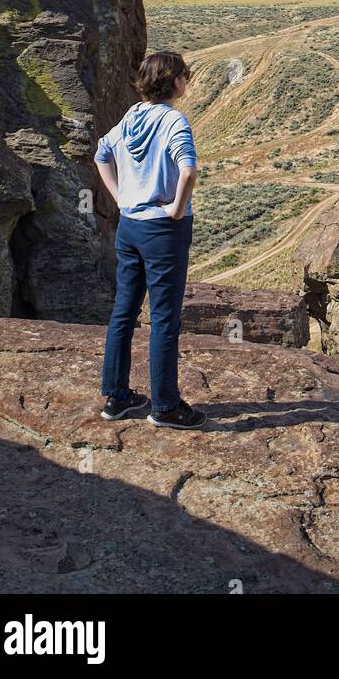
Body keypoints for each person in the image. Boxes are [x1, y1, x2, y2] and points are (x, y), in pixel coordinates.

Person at [95, 51, 206, 429]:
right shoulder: (173, 120)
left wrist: (121, 198)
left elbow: (101, 152)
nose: (186, 84)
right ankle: (165, 407)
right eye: (184, 78)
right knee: (163, 319)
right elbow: (188, 170)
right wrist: (176, 208)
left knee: (124, 310)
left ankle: (117, 397)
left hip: (130, 226)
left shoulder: (132, 115)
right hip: (163, 229)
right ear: (174, 81)